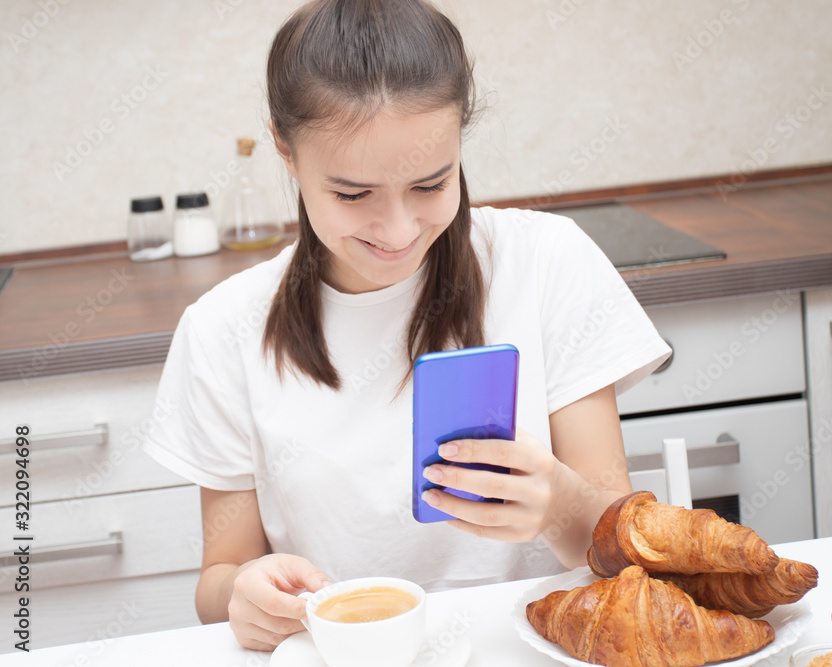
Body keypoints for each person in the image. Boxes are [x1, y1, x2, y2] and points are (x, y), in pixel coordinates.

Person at [143, 0, 671, 652]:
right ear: (285, 149)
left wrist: (561, 502)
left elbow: (624, 549)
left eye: (431, 183)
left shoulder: (546, 262)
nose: (397, 231)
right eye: (353, 194)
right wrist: (242, 593)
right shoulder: (224, 329)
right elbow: (218, 580)